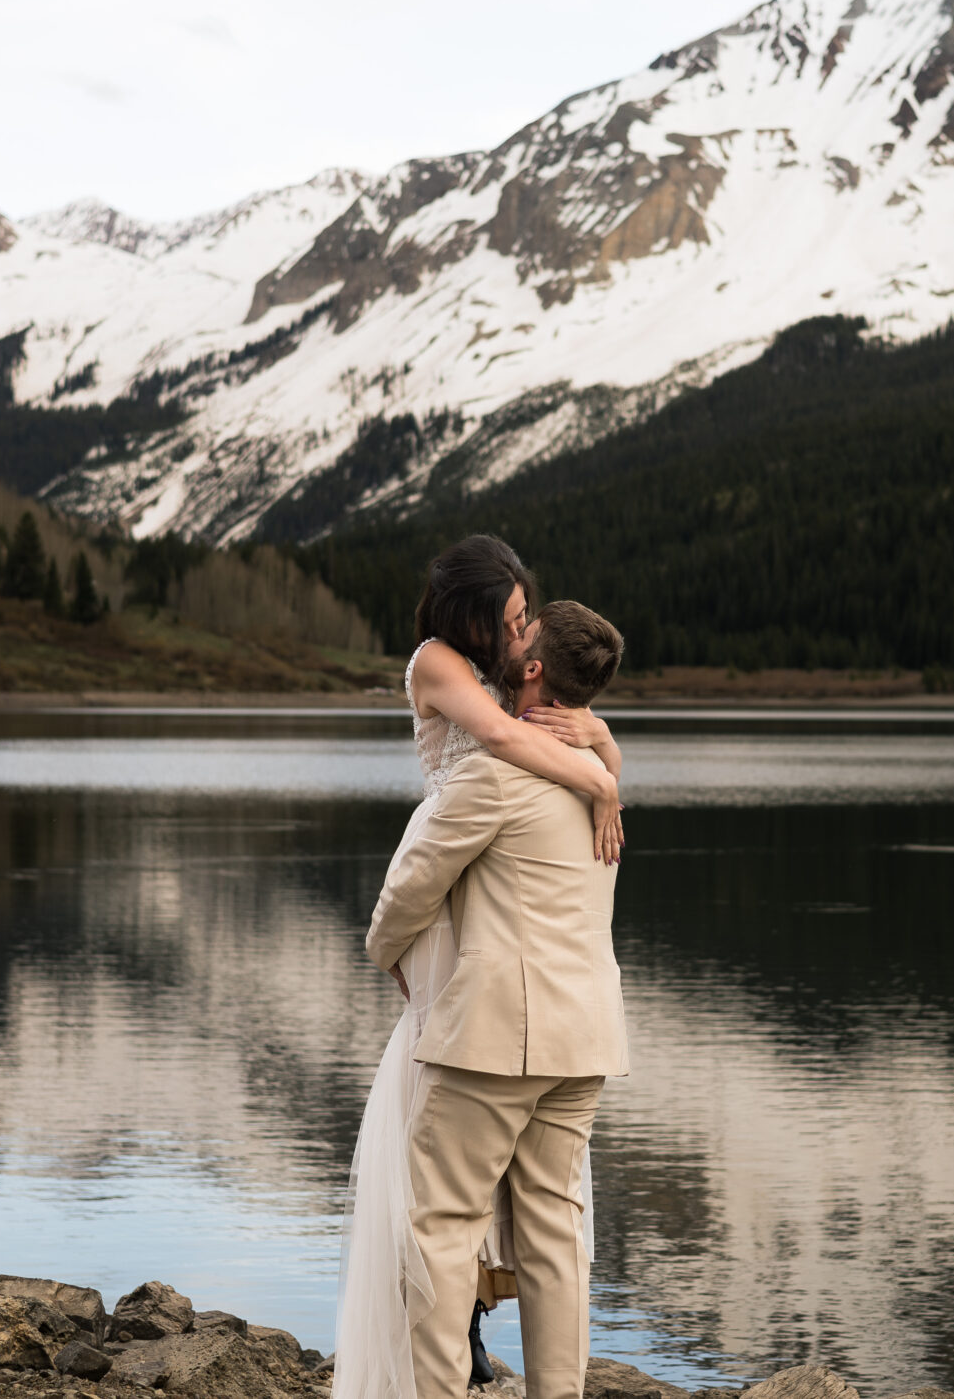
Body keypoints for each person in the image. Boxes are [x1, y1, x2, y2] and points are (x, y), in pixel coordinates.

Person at [333, 537, 626, 1399]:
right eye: (510, 619)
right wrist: (606, 766)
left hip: (494, 1035)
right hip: (587, 1036)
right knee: (556, 1230)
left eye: (524, 631)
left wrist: (384, 950)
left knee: (441, 1224)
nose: (517, 636)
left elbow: (410, 880)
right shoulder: (596, 777)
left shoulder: (497, 775)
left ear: (533, 670)